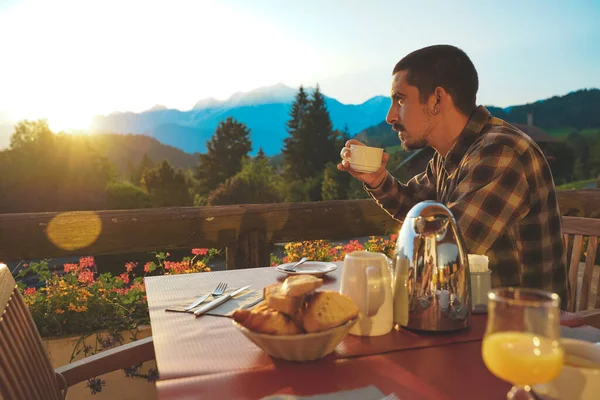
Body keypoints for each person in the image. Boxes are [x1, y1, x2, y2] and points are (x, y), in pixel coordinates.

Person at [338, 44, 568, 307]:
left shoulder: (500, 152)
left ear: (437, 99)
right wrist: (377, 179)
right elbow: (414, 207)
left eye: (400, 100)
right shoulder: (449, 156)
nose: (390, 116)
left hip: (520, 331)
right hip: (468, 317)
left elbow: (447, 254)